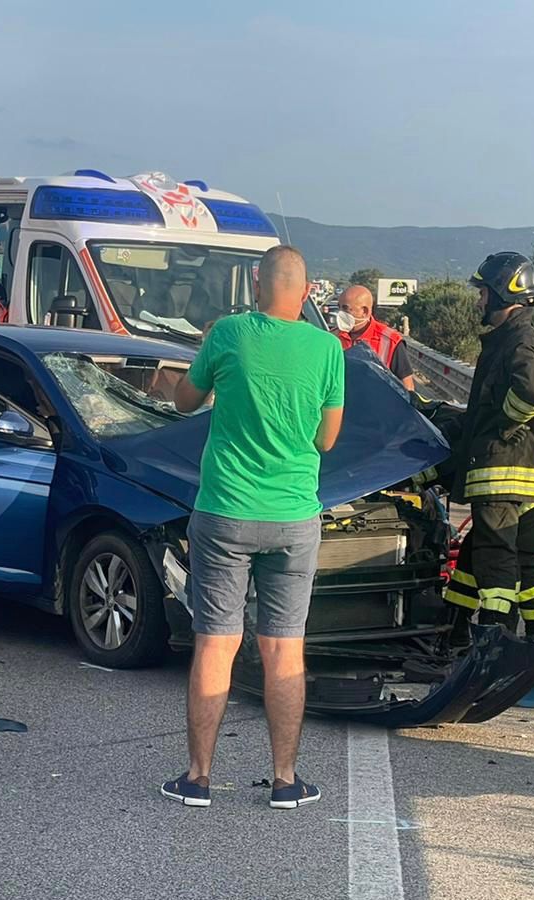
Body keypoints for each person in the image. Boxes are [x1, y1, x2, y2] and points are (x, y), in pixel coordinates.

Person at [162, 244, 343, 810]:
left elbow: (187, 399)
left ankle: (198, 778)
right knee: (285, 649)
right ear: (307, 291)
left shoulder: (228, 333)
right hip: (293, 516)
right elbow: (327, 440)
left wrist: (189, 375)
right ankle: (286, 781)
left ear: (258, 286)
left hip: (224, 510)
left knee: (217, 643)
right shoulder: (328, 348)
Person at [436, 252, 534, 649]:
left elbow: (530, 394)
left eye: (482, 292)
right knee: (486, 551)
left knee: (497, 557)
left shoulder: (520, 342)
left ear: (503, 292)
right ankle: (468, 628)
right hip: (532, 471)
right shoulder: (506, 339)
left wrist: (501, 427)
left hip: (510, 470)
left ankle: (494, 637)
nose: (478, 300)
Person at [334, 284, 414, 391]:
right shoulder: (332, 338)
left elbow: (407, 387)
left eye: (345, 308)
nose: (340, 313)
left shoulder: (390, 341)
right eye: (339, 307)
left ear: (364, 311)